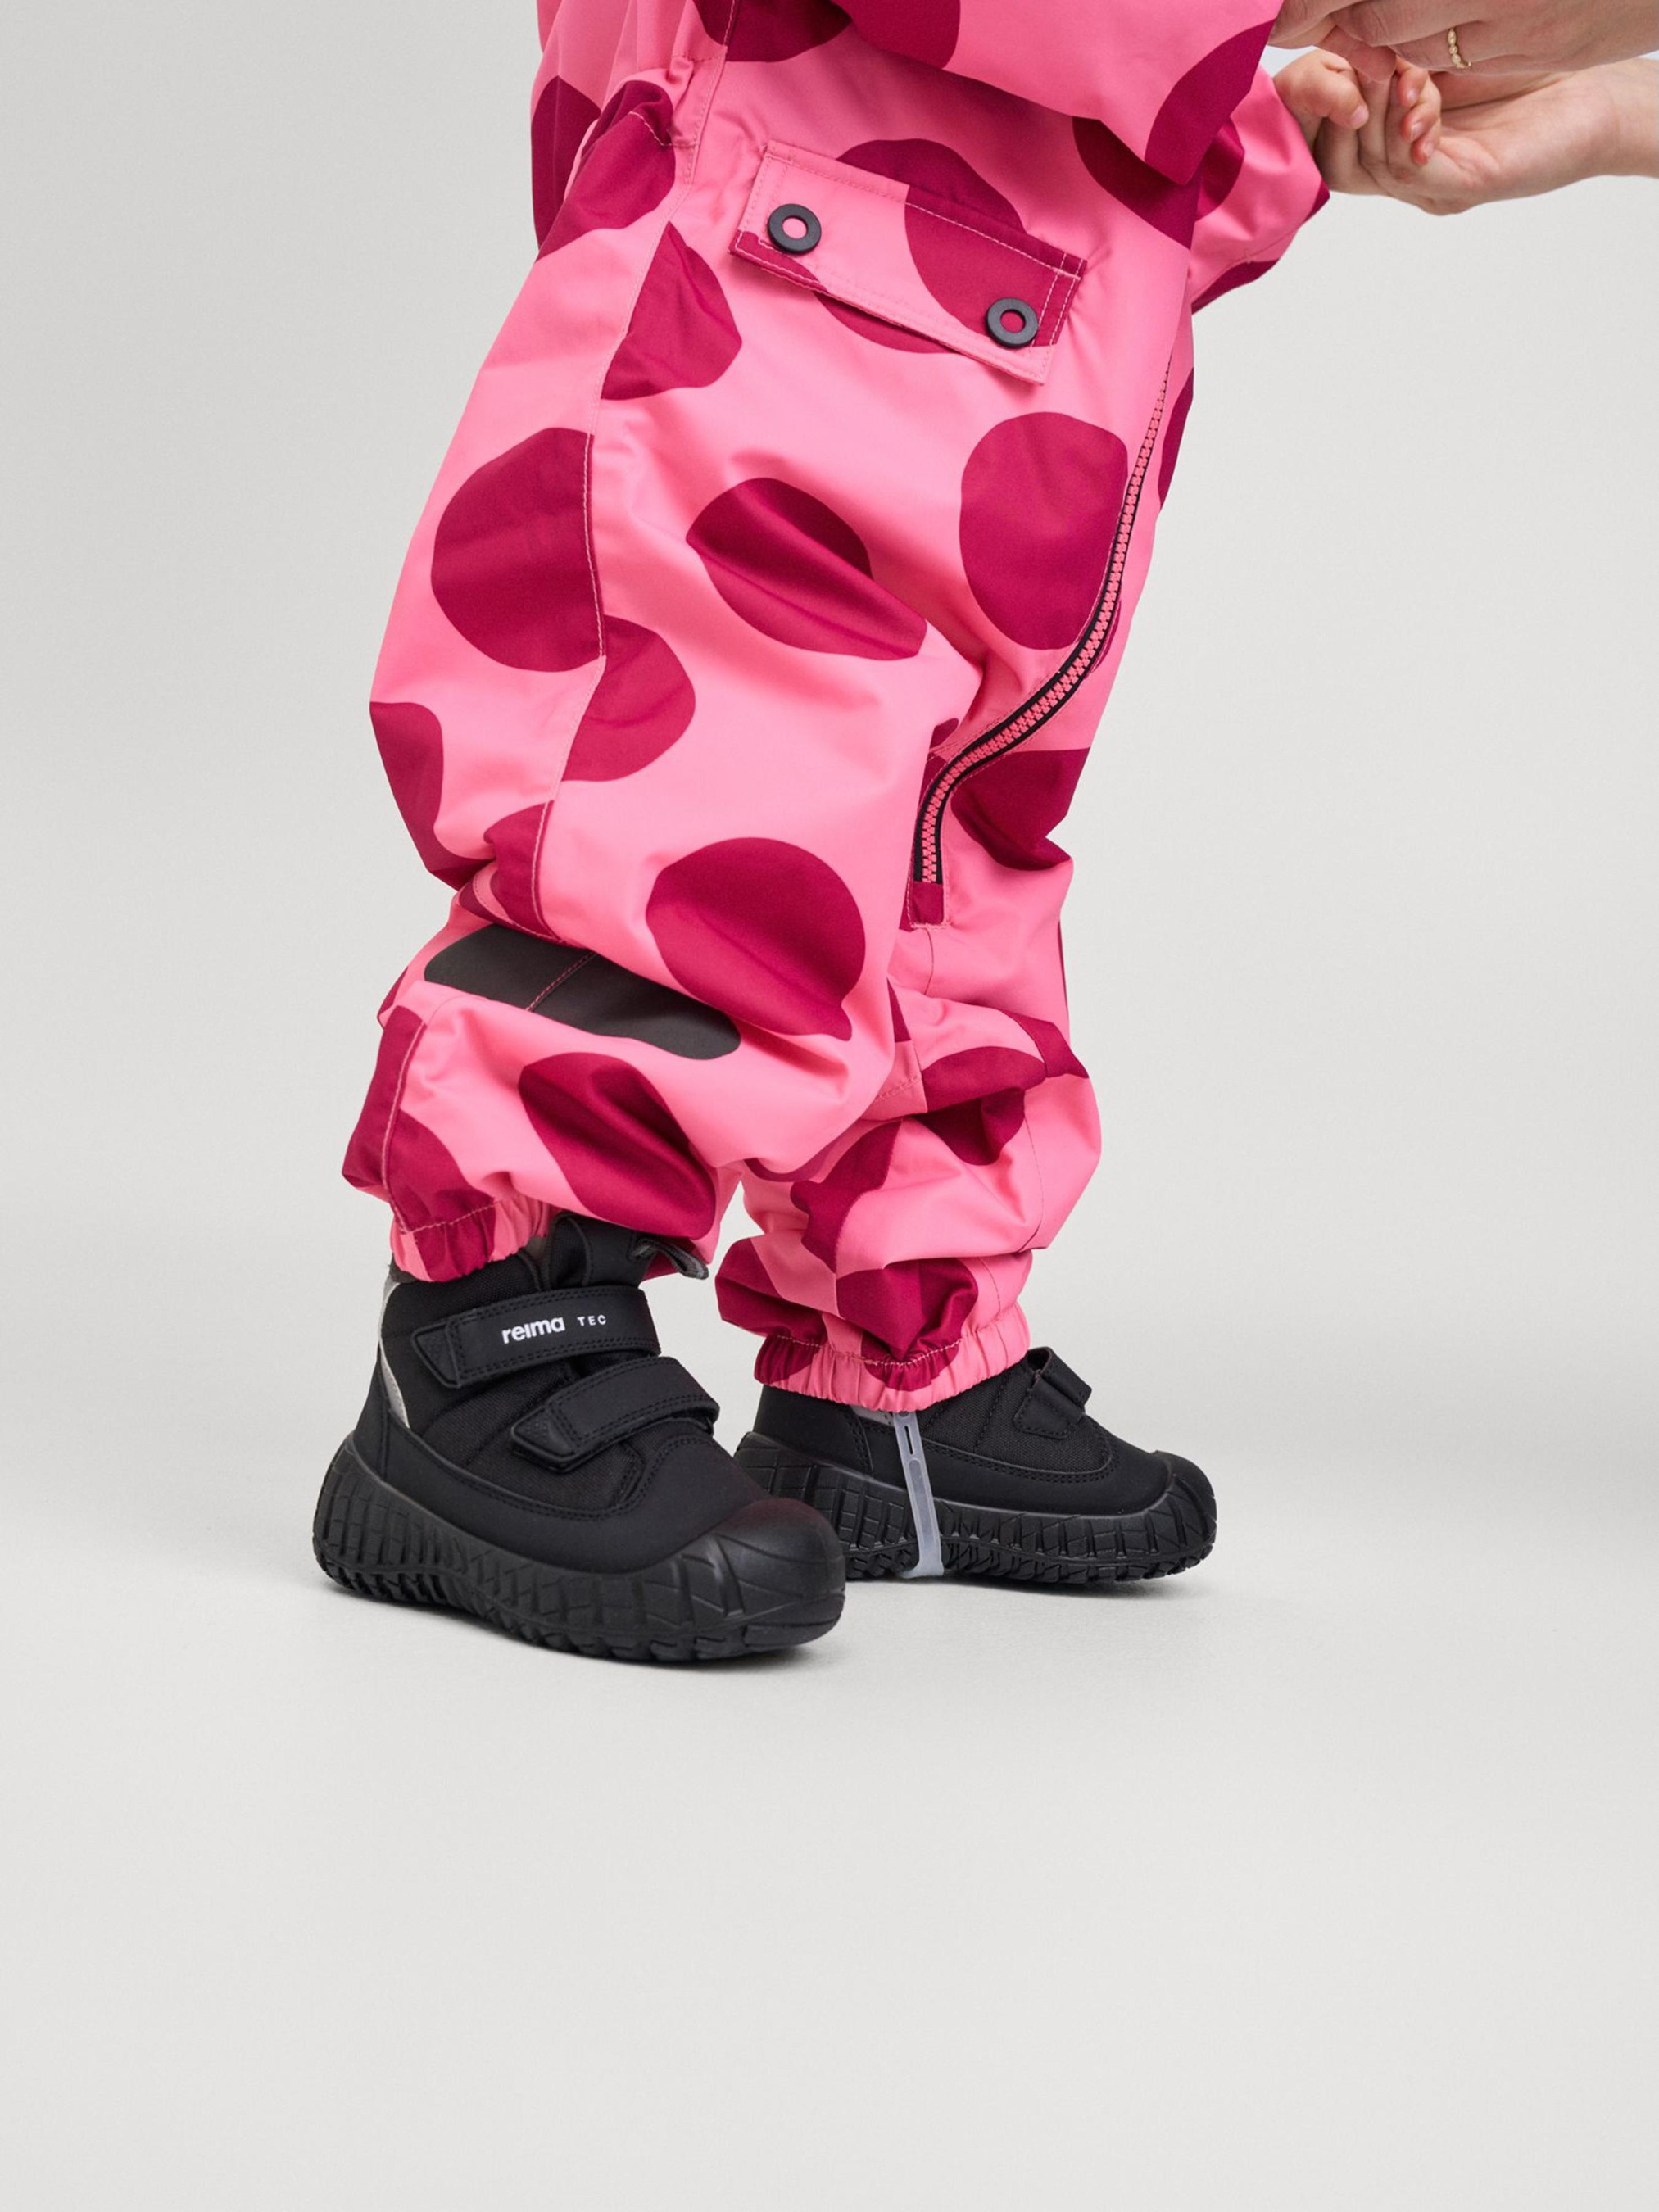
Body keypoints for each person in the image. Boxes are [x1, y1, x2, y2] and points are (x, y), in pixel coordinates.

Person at [310, 3, 1644, 1665]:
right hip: (771, 291)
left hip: (1022, 328)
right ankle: (490, 1334)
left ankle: (897, 1362)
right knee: (691, 813)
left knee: (940, 869)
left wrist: (1261, 117)